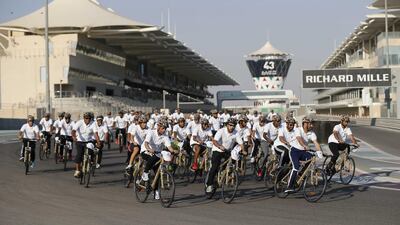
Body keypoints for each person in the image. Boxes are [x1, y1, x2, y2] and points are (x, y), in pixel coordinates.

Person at [140, 119, 177, 200]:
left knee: (158, 173)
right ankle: (145, 173)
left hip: (156, 153)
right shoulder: (151, 132)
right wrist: (149, 149)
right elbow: (146, 143)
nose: (164, 130)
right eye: (163, 128)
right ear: (158, 127)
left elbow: (169, 147)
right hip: (145, 151)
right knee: (153, 158)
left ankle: (156, 191)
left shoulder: (165, 136)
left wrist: (173, 151)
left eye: (165, 129)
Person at [206, 118, 244, 193]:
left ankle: (224, 177)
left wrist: (243, 150)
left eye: (233, 125)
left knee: (230, 165)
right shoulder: (221, 131)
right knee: (215, 166)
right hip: (217, 150)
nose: (232, 127)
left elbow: (241, 143)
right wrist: (219, 146)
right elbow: (214, 141)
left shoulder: (236, 133)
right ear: (227, 125)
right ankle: (209, 184)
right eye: (230, 125)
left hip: (227, 151)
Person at [286, 117, 323, 193]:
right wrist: (304, 145)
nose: (311, 125)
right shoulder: (298, 129)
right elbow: (299, 139)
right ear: (305, 124)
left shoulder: (312, 133)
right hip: (294, 151)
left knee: (311, 159)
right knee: (296, 167)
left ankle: (300, 175)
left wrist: (320, 152)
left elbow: (316, 142)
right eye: (310, 124)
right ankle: (289, 186)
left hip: (303, 152)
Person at [71, 112, 95, 178]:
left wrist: (98, 141)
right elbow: (73, 130)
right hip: (80, 141)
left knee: (91, 151)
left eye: (89, 118)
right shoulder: (79, 122)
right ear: (84, 118)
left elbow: (96, 133)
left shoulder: (93, 123)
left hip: (89, 141)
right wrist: (74, 137)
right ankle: (77, 170)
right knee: (79, 155)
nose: (88, 119)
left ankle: (91, 162)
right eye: (86, 118)